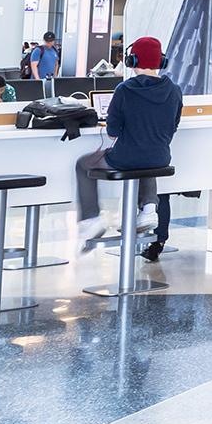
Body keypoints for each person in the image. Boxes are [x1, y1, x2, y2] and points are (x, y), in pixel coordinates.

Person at [73, 36, 183, 263]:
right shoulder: (174, 90)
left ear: (132, 61)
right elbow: (173, 126)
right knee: (148, 160)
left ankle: (92, 219)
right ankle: (149, 210)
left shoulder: (124, 89)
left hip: (126, 158)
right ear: (160, 62)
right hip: (161, 157)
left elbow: (112, 133)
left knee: (84, 163)